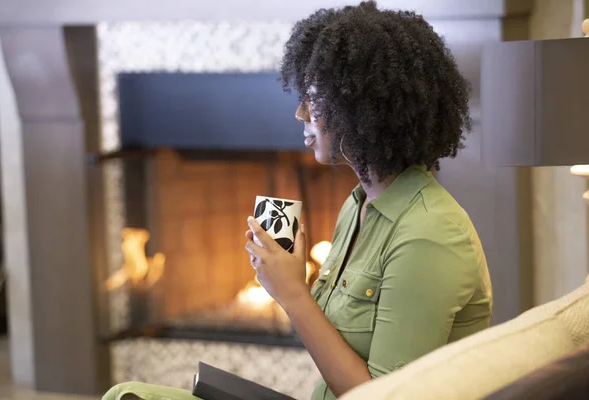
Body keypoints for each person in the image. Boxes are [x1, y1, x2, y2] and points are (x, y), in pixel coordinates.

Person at [103, 1, 492, 399]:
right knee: (127, 394)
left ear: (364, 109)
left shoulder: (429, 235)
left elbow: (382, 396)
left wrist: (291, 293)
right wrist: (286, 278)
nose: (300, 113)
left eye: (316, 99)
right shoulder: (359, 206)